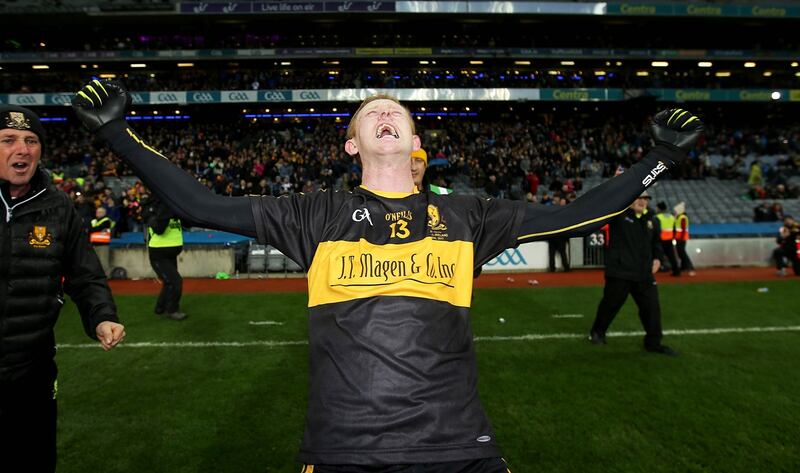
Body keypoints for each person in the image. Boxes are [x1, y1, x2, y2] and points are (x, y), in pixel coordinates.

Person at [72, 80, 702, 472]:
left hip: (460, 447)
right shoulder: (313, 214)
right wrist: (119, 137)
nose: (384, 114)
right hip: (345, 450)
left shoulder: (468, 215)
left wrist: (660, 160)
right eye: (370, 112)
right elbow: (201, 205)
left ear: (413, 136)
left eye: (395, 110)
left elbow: (580, 213)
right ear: (351, 144)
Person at [0, 104, 125, 472]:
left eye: (31, 140)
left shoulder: (59, 208)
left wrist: (102, 316)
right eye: (8, 140)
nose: (22, 149)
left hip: (32, 374)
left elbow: (85, 275)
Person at [588, 191, 677, 356]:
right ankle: (597, 332)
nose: (642, 201)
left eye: (645, 198)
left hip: (644, 274)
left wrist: (658, 258)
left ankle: (653, 343)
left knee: (651, 309)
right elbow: (606, 203)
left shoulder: (652, 218)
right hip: (620, 272)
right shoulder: (618, 214)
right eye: (639, 198)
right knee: (610, 305)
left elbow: (656, 242)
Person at [144, 196, 187, 320]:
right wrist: (168, 211)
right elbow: (159, 229)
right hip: (159, 253)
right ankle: (172, 310)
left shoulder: (172, 211)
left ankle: (160, 308)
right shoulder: (158, 213)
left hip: (170, 253)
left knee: (169, 282)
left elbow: (187, 224)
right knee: (176, 282)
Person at [654, 200, 680, 275]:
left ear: (659, 209)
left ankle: (660, 268)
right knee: (672, 256)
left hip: (660, 239)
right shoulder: (671, 217)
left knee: (658, 255)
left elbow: (656, 230)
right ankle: (676, 271)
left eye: (657, 208)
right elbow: (674, 229)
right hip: (669, 239)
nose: (656, 209)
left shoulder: (657, 217)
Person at [672, 201, 695, 276]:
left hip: (681, 239)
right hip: (679, 238)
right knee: (680, 253)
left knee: (682, 254)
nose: (674, 212)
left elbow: (683, 229)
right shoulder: (679, 217)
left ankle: (690, 268)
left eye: (675, 211)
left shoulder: (682, 217)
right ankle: (683, 267)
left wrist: (681, 238)